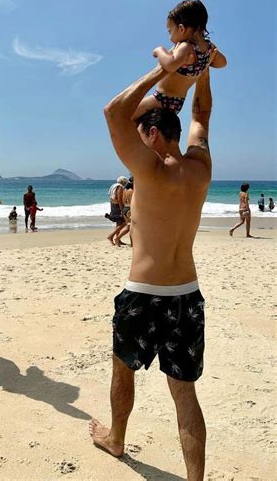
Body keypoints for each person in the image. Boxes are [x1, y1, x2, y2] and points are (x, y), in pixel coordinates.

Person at [90, 63, 215, 481]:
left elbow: (113, 113)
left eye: (143, 134)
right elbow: (201, 116)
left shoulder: (149, 171)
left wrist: (164, 72)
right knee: (184, 395)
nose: (138, 142)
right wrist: (204, 74)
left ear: (155, 134)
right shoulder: (200, 170)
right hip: (187, 295)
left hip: (142, 294)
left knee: (122, 369)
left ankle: (116, 439)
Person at [133, 0, 226, 120]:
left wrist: (160, 50)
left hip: (161, 99)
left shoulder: (186, 47)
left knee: (126, 115)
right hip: (177, 104)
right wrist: (209, 60)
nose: (169, 36)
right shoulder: (208, 49)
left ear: (181, 29)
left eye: (170, 31)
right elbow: (223, 63)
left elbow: (170, 64)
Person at [105, 176, 128, 244]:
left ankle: (118, 239)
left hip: (113, 205)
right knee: (125, 223)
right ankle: (111, 236)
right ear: (123, 181)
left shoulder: (114, 186)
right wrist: (122, 210)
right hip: (117, 206)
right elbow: (119, 199)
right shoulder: (120, 187)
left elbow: (112, 197)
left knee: (119, 223)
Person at [114, 180, 134, 247]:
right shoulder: (132, 191)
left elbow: (122, 200)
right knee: (131, 227)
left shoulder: (125, 190)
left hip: (125, 208)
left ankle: (118, 238)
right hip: (130, 209)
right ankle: (119, 239)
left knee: (128, 226)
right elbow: (133, 202)